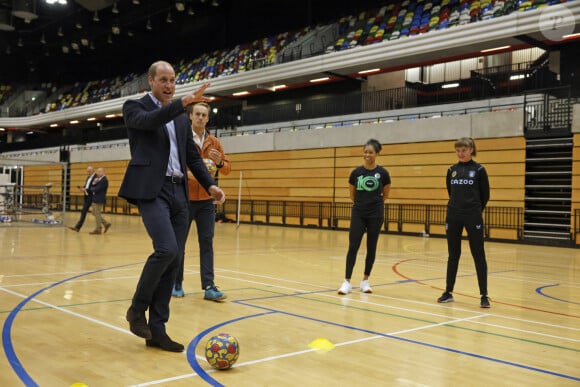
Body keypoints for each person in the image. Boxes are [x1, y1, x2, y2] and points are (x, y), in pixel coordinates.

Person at [119, 60, 225, 353]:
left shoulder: (180, 118)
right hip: (152, 191)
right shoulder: (135, 107)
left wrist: (210, 185)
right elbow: (150, 122)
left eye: (173, 80)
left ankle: (158, 330)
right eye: (163, 80)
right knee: (166, 249)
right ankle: (136, 310)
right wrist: (183, 103)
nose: (169, 85)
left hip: (180, 192)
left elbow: (192, 156)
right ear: (151, 82)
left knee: (173, 260)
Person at [172, 102, 231, 300]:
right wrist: (191, 176)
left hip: (206, 201)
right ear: (190, 116)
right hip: (184, 199)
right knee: (178, 244)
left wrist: (220, 162)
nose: (200, 118)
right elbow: (173, 166)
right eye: (197, 114)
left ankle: (209, 286)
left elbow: (227, 168)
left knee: (207, 242)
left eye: (204, 115)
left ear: (207, 118)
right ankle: (176, 283)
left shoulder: (214, 142)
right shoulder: (181, 139)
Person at [437, 137, 491, 308]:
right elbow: (450, 192)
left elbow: (485, 195)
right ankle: (448, 292)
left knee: (478, 254)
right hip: (453, 216)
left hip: (473, 216)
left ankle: (484, 295)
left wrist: (473, 211)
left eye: (464, 150)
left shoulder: (480, 170)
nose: (461, 153)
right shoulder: (451, 170)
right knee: (453, 255)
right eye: (458, 150)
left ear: (471, 150)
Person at [338, 139, 391, 295]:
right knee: (353, 246)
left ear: (376, 154)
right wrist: (361, 205)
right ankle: (346, 282)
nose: (367, 155)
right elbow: (352, 194)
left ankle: (365, 281)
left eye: (371, 152)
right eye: (365, 152)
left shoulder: (383, 173)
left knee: (371, 247)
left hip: (376, 214)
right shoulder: (356, 173)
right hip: (358, 213)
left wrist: (374, 205)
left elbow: (386, 194)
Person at [68, 166, 95, 232]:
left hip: (93, 197)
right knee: (84, 212)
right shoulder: (88, 177)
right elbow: (87, 186)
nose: (88, 172)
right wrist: (82, 188)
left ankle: (105, 224)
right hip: (87, 197)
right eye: (87, 171)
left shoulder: (96, 177)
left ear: (93, 170)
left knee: (95, 213)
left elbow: (94, 188)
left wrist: (86, 189)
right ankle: (77, 227)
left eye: (89, 171)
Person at [88, 167, 111, 235]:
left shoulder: (104, 180)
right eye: (98, 171)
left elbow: (95, 189)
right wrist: (94, 184)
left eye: (100, 171)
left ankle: (98, 229)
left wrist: (93, 184)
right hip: (96, 198)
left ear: (104, 172)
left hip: (99, 199)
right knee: (94, 213)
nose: (98, 173)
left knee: (97, 214)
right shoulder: (100, 179)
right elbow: (94, 188)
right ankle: (106, 224)